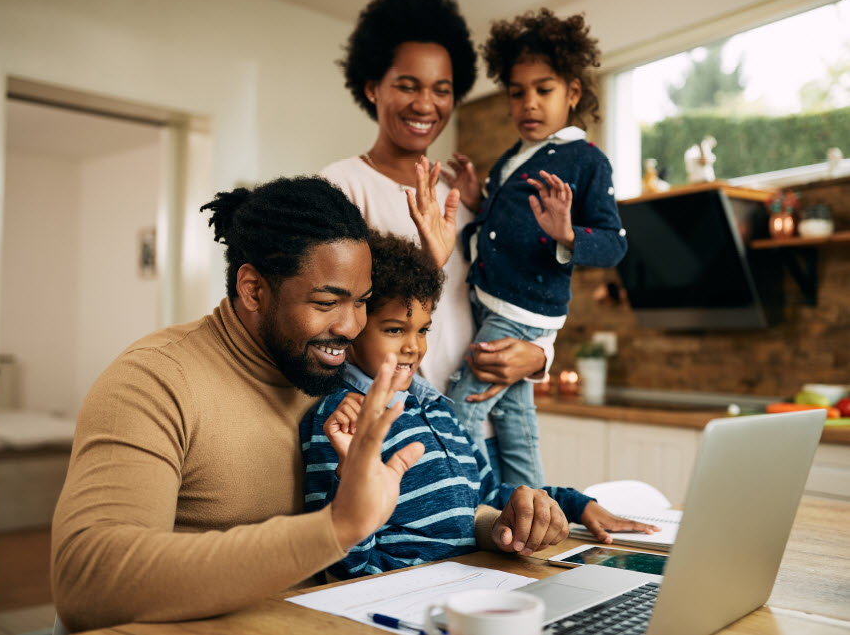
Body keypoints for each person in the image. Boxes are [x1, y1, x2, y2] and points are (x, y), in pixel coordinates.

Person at [50, 176, 596, 632]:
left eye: (360, 303)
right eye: (326, 302)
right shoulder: (155, 380)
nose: (350, 326)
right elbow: (88, 581)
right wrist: (334, 529)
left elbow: (401, 511)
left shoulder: (345, 377)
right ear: (253, 289)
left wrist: (498, 523)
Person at [300, 231, 656, 579]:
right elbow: (338, 566)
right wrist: (350, 475)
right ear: (354, 328)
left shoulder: (437, 409)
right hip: (395, 595)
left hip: (473, 580)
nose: (414, 347)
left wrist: (577, 505)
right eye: (394, 330)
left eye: (423, 330)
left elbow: (485, 495)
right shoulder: (340, 420)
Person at [321, 0, 552, 407]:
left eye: (441, 89)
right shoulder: (341, 187)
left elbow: (518, 289)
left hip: (483, 416)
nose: (426, 104)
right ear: (373, 87)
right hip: (395, 422)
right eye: (408, 85)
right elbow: (326, 319)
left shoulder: (462, 195)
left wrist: (539, 355)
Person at [445, 10, 628, 487]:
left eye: (543, 90)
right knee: (513, 418)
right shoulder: (512, 157)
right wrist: (476, 200)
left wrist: (569, 235)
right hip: (492, 300)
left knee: (463, 407)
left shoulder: (587, 161)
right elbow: (505, 226)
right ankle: (531, 505)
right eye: (517, 91)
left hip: (522, 307)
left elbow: (613, 244)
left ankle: (461, 506)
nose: (529, 103)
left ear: (572, 92)